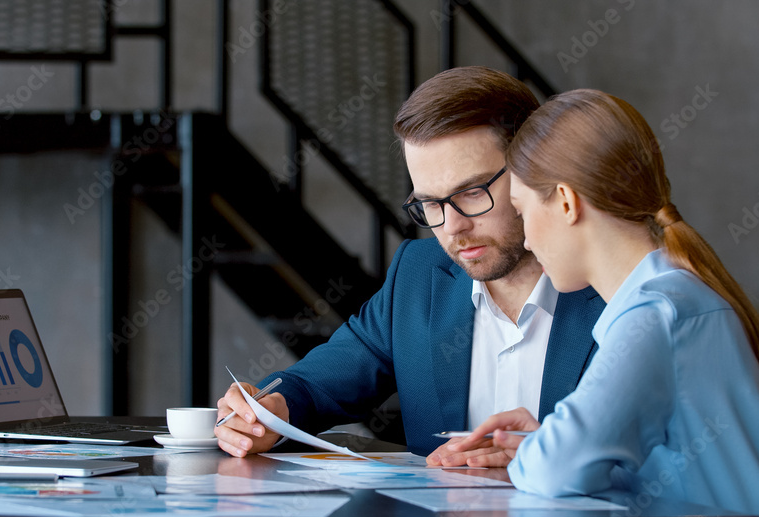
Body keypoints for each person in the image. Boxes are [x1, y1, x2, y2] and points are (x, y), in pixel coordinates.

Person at [450, 89, 759, 517]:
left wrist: (544, 451)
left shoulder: (656, 315)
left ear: (566, 202)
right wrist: (542, 441)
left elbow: (556, 470)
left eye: (525, 211)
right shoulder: (675, 296)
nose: (526, 238)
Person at [214, 66, 605, 461]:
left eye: (471, 192)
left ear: (533, 169)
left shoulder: (616, 282)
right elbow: (319, 385)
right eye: (430, 204)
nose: (453, 227)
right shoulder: (419, 273)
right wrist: (267, 410)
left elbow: (659, 459)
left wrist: (545, 463)